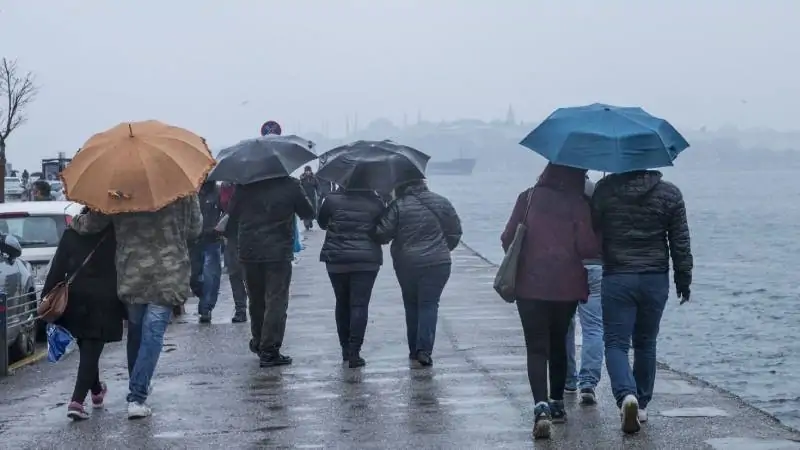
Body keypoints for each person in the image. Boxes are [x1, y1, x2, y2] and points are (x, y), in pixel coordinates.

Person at [71, 194, 201, 419]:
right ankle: (137, 396)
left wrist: (74, 221)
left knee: (137, 332)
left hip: (132, 272)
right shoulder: (182, 189)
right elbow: (194, 229)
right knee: (153, 334)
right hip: (169, 272)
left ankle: (138, 387)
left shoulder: (120, 190)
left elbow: (92, 224)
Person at [501, 163, 599, 440]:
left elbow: (507, 237)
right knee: (558, 342)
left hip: (529, 284)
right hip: (566, 286)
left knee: (535, 347)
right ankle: (557, 404)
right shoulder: (578, 204)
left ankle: (540, 408)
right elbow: (588, 248)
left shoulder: (528, 197)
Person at [591, 169, 693, 434]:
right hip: (654, 278)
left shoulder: (605, 189)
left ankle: (627, 395)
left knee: (616, 343)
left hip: (617, 276)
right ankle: (642, 404)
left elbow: (593, 230)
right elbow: (680, 242)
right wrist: (683, 280)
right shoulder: (670, 193)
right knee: (646, 342)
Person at [372, 178, 461, 367]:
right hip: (438, 263)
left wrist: (383, 211)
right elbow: (455, 231)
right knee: (429, 304)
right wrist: (442, 249)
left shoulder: (398, 205)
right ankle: (424, 351)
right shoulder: (442, 202)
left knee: (411, 304)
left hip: (407, 263)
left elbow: (382, 234)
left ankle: (414, 349)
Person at [227, 176, 314, 367]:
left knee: (256, 299)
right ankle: (269, 350)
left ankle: (259, 342)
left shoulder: (244, 185)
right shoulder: (290, 185)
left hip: (249, 251)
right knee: (276, 300)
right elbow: (308, 212)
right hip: (278, 252)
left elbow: (232, 215)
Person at [43, 219, 124, 421]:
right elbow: (125, 268)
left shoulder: (71, 233)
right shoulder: (115, 234)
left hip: (74, 299)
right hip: (105, 299)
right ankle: (77, 402)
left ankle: (96, 390)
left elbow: (57, 267)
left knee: (87, 347)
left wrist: (47, 297)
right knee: (91, 349)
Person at [317, 188, 385, 368]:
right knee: (359, 305)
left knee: (342, 302)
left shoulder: (331, 200)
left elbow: (322, 223)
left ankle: (345, 349)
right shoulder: (376, 202)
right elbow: (383, 230)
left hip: (336, 259)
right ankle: (355, 352)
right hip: (366, 260)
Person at [565, 176, 604, 405]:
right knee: (593, 327)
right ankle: (588, 383)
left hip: (567, 265)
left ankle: (568, 379)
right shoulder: (598, 192)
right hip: (596, 264)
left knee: (564, 325)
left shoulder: (558, 193)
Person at [192, 181, 224, 323]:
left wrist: (219, 228)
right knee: (193, 276)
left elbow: (227, 211)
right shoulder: (192, 192)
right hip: (194, 240)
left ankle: (206, 307)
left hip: (212, 239)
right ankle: (203, 298)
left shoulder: (217, 191)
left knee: (211, 275)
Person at [220, 182, 247, 323]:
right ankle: (241, 309)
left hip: (247, 236)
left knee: (242, 274)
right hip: (234, 236)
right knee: (236, 274)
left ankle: (245, 309)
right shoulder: (225, 188)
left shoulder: (244, 189)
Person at [299, 166, 319, 231]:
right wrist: (303, 194)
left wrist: (319, 194)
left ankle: (310, 220)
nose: (308, 172)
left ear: (310, 171)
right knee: (305, 210)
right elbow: (300, 187)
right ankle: (306, 224)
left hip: (312, 196)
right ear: (305, 171)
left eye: (309, 171)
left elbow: (317, 186)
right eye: (306, 171)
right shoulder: (302, 178)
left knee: (312, 210)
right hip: (304, 197)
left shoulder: (314, 178)